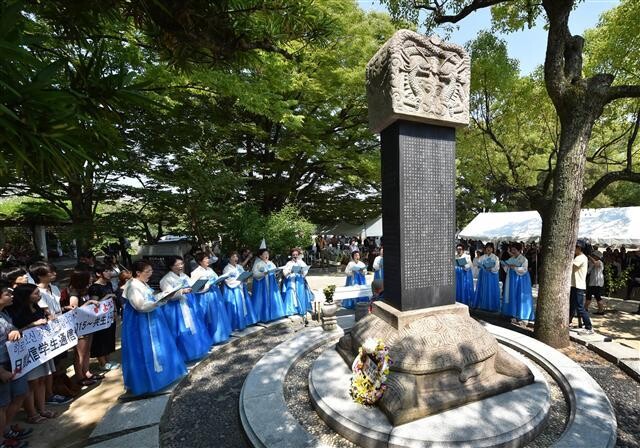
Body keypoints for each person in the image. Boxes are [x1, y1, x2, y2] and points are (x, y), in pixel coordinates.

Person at [121, 261, 187, 396]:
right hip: (141, 323)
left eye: (151, 271)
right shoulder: (133, 286)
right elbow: (140, 306)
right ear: (138, 273)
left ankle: (162, 377)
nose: (150, 274)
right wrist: (159, 301)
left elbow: (149, 299)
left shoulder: (141, 283)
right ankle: (148, 382)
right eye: (148, 272)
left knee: (158, 347)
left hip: (151, 318)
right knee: (146, 349)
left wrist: (162, 297)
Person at [7, 284, 56, 424]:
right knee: (31, 382)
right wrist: (32, 325)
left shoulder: (37, 306)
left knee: (41, 380)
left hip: (42, 348)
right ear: (26, 296)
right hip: (26, 352)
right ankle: (32, 413)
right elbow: (15, 333)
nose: (39, 295)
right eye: (35, 294)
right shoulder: (14, 312)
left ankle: (42, 409)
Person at [159, 256, 210, 362]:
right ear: (171, 266)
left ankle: (195, 350)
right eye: (177, 265)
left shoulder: (183, 275)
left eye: (181, 263)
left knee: (194, 327)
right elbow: (168, 295)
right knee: (181, 330)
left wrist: (198, 286)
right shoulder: (166, 279)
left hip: (188, 304)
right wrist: (182, 291)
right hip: (176, 308)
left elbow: (191, 284)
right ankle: (181, 355)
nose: (181, 266)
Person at [0, 284, 32, 446]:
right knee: (2, 404)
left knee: (19, 394)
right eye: (7, 294)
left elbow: (10, 329)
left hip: (13, 362)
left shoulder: (4, 313)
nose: (12, 296)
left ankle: (5, 429)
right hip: (2, 368)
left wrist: (15, 331)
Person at [68, 268, 103, 386]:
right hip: (79, 327)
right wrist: (88, 303)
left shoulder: (86, 290)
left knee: (87, 350)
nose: (92, 278)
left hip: (88, 325)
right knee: (79, 353)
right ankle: (80, 376)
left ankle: (87, 372)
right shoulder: (73, 292)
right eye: (89, 276)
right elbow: (74, 309)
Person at [190, 252, 231, 344]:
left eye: (208, 258)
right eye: (205, 259)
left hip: (215, 294)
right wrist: (208, 285)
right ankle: (210, 337)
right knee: (209, 315)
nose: (208, 260)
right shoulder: (195, 272)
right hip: (205, 296)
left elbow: (216, 278)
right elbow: (195, 288)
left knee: (218, 314)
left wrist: (218, 281)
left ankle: (219, 335)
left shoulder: (210, 269)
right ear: (200, 261)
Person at [88, 263, 120, 371]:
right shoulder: (95, 288)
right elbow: (93, 305)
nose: (109, 273)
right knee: (100, 340)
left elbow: (112, 301)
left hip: (110, 316)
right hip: (99, 319)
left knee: (108, 338)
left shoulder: (108, 284)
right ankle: (102, 363)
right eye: (106, 271)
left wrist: (115, 311)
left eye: (109, 271)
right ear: (98, 273)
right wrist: (106, 297)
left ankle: (108, 360)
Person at [222, 252, 257, 331]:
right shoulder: (226, 268)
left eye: (236, 256)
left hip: (242, 287)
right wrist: (239, 280)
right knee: (236, 306)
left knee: (244, 304)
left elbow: (243, 275)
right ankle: (236, 324)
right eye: (233, 256)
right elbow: (228, 280)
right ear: (229, 258)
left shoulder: (239, 267)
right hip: (233, 290)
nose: (235, 258)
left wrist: (245, 278)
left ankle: (245, 322)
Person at [501, 243, 535, 321]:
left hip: (520, 280)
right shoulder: (512, 258)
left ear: (519, 250)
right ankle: (512, 312)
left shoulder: (523, 259)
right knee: (512, 294)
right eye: (512, 250)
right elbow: (507, 269)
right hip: (511, 278)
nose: (513, 251)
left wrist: (515, 268)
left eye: (514, 250)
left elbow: (524, 270)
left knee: (520, 295)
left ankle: (521, 313)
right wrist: (505, 266)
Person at [251, 249, 286, 323]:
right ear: (260, 256)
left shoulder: (271, 263)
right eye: (264, 254)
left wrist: (276, 271)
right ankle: (262, 316)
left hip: (271, 284)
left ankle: (273, 315)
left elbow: (275, 271)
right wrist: (263, 274)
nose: (266, 255)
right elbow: (255, 274)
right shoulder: (257, 264)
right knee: (262, 299)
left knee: (272, 298)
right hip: (262, 285)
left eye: (267, 254)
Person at [570, 242, 593, 334]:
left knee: (580, 308)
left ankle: (589, 327)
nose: (573, 250)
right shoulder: (579, 257)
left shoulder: (581, 258)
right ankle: (568, 321)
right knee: (572, 306)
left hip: (578, 286)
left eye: (574, 248)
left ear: (579, 248)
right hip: (574, 285)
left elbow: (571, 265)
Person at [282, 248, 313, 317]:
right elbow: (284, 272)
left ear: (298, 255)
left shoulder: (301, 262)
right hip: (292, 281)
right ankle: (291, 310)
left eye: (296, 255)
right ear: (291, 256)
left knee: (300, 294)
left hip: (299, 281)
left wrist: (302, 271)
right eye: (293, 255)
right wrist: (290, 271)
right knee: (292, 294)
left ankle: (301, 309)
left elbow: (305, 270)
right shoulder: (289, 263)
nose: (295, 256)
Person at [472, 243, 501, 311]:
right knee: (483, 288)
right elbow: (478, 264)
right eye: (487, 247)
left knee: (491, 289)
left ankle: (492, 306)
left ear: (492, 249)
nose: (488, 249)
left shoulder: (495, 257)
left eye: (490, 248)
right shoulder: (482, 257)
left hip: (492, 276)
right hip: (484, 275)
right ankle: (483, 305)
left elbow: (497, 267)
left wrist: (490, 268)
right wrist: (480, 266)